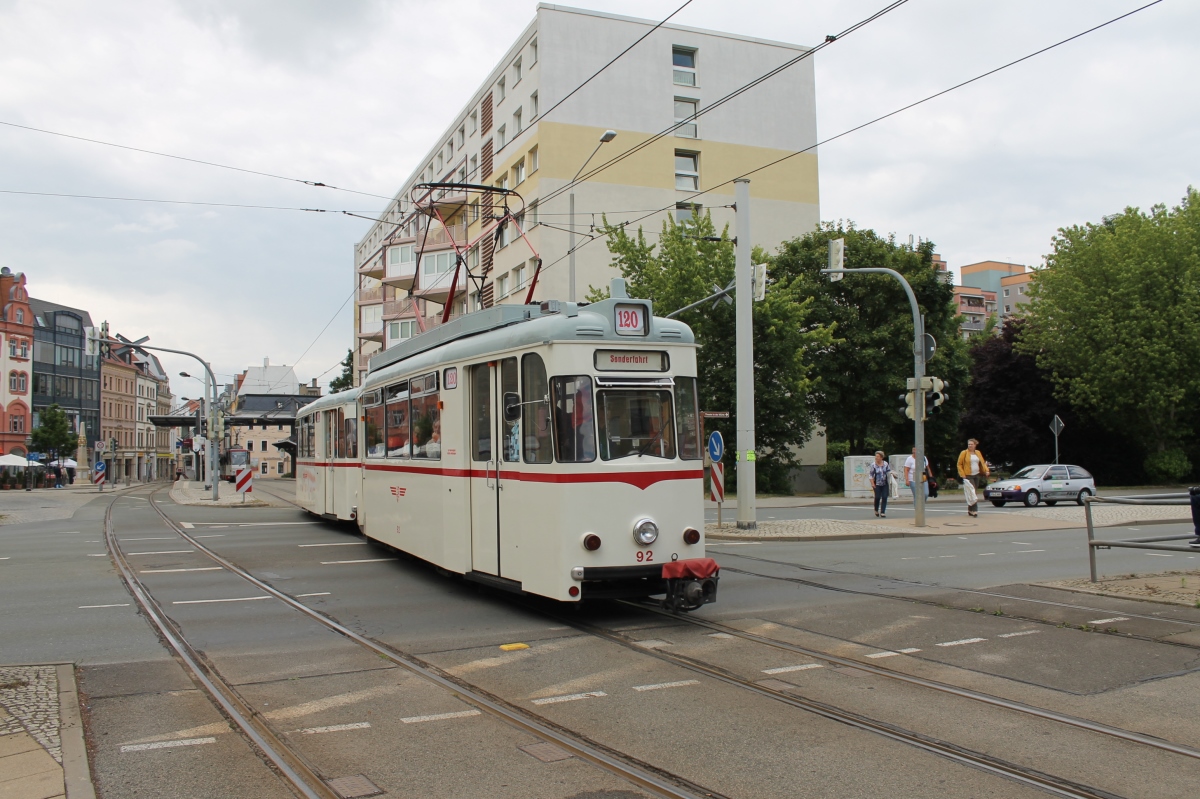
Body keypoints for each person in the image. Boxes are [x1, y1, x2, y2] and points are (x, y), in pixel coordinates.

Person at [956, 438, 991, 517]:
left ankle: (970, 509)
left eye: (972, 444)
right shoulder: (964, 453)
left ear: (975, 445)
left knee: (973, 492)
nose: (970, 446)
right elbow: (959, 464)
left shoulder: (978, 453)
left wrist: (986, 470)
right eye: (969, 444)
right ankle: (975, 510)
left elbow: (982, 463)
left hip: (976, 474)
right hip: (968, 475)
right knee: (972, 492)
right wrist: (962, 474)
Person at [868, 451, 891, 517]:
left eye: (878, 456)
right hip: (877, 483)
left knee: (884, 497)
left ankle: (883, 512)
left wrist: (892, 475)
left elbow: (889, 472)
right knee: (877, 497)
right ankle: (876, 510)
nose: (876, 458)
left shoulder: (885, 464)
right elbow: (871, 475)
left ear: (881, 457)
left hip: (884, 483)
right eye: (876, 456)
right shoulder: (873, 465)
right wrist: (872, 483)